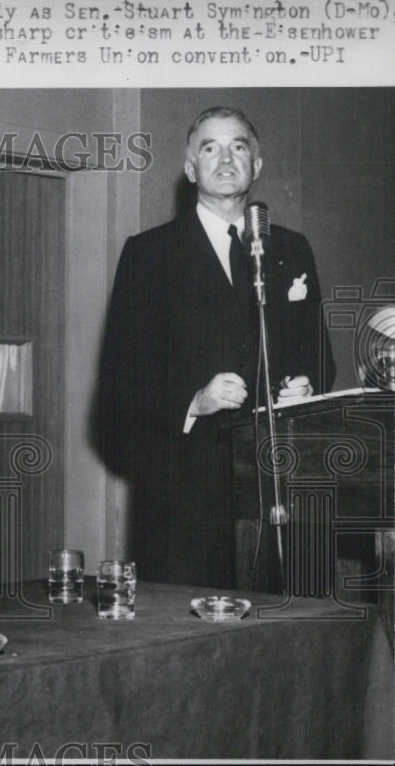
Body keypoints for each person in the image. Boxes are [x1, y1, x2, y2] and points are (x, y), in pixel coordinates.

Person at [98, 107, 334, 589]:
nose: (226, 158)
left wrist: (305, 387)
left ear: (257, 165)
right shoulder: (148, 254)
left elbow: (319, 356)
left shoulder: (292, 249)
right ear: (190, 170)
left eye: (238, 146)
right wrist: (193, 400)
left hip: (276, 491)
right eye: (210, 147)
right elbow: (120, 382)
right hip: (184, 501)